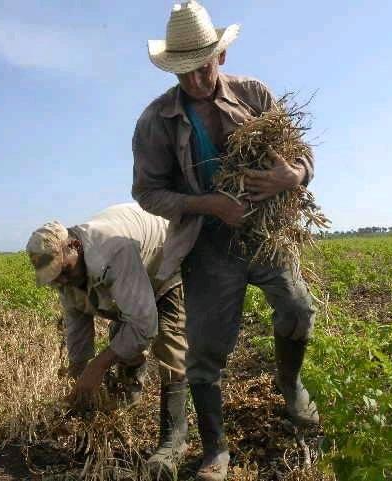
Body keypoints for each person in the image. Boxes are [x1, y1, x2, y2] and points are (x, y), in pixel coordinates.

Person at [132, 2, 318, 479]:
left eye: (203, 67)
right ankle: (215, 449)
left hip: (264, 231)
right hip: (209, 244)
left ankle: (291, 385)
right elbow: (147, 193)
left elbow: (302, 158)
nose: (195, 80)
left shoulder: (253, 94)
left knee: (298, 308)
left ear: (221, 57)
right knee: (206, 351)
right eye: (184, 72)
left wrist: (289, 176)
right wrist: (210, 204)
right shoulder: (157, 120)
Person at [25, 203, 189, 476]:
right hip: (133, 274)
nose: (62, 279)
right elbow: (77, 322)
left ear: (74, 246)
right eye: (56, 276)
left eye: (64, 270)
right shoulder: (65, 276)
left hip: (166, 262)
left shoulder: (111, 251)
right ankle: (128, 391)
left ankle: (174, 440)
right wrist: (80, 373)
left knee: (168, 343)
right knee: (124, 334)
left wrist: (98, 367)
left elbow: (143, 324)